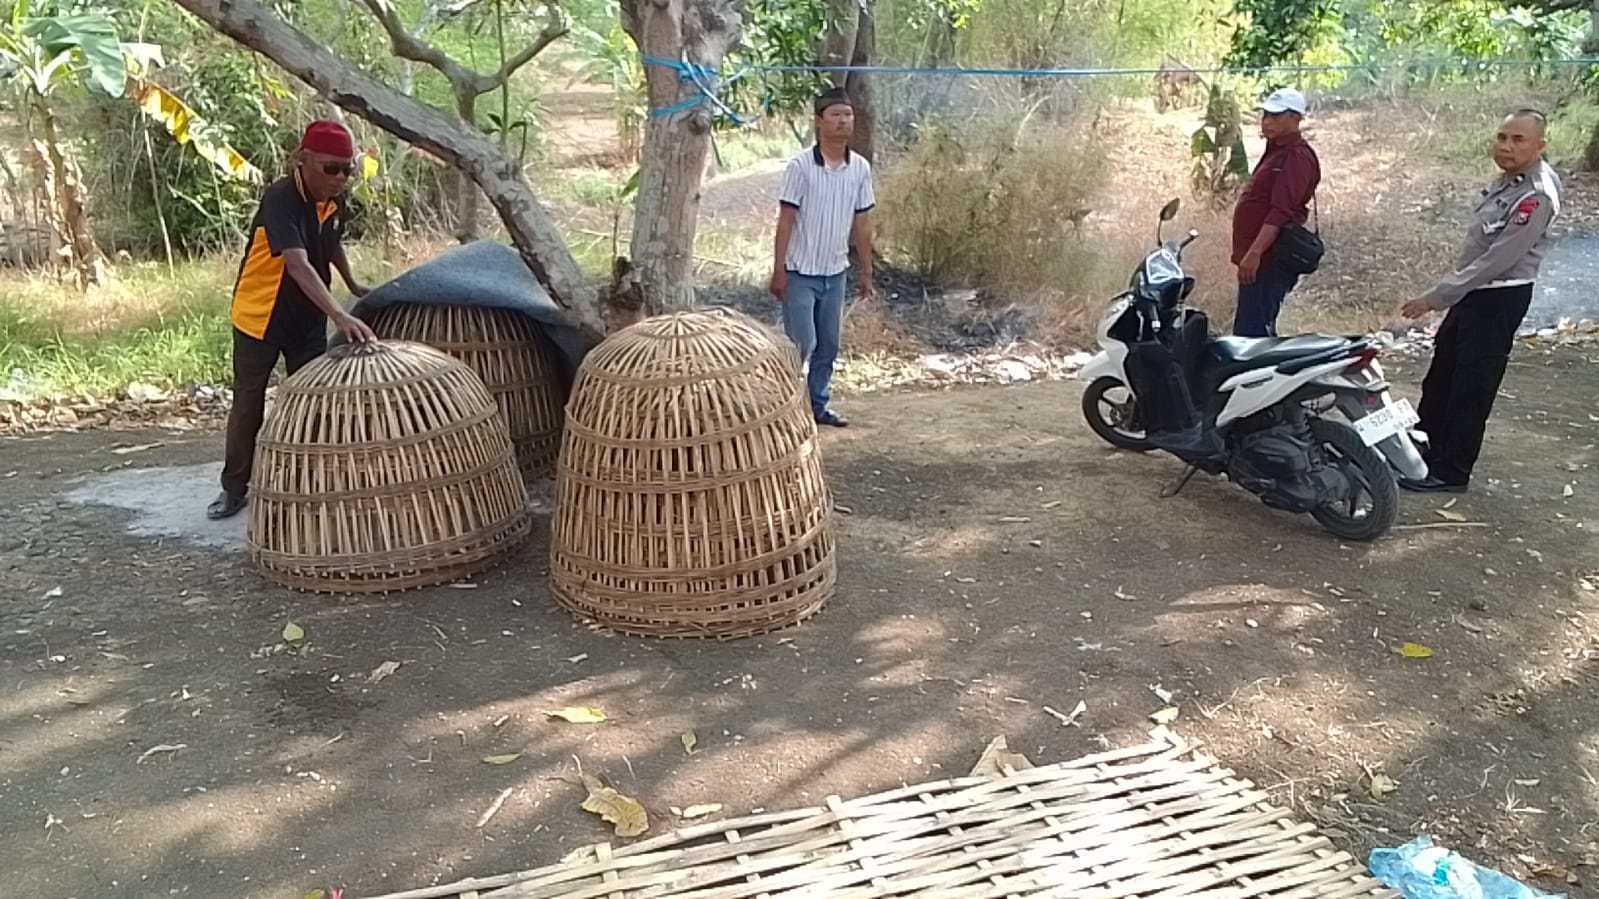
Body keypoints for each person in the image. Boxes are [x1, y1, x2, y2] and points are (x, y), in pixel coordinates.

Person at [207, 120, 378, 520]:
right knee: (248, 403)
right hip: (260, 315)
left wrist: (352, 282)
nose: (339, 178)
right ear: (303, 161)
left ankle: (304, 484)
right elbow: (297, 262)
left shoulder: (334, 200)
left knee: (310, 402)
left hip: (306, 318)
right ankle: (234, 489)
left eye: (347, 169)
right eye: (330, 168)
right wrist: (339, 313)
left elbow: (330, 242)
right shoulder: (281, 198)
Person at [1397, 109, 1560, 494]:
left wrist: (1435, 298)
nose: (1506, 146)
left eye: (1518, 140)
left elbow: (1497, 260)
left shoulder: (1536, 194)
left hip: (1498, 298)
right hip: (1474, 294)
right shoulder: (1509, 182)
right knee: (1442, 378)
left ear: (1541, 145)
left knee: (1471, 387)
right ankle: (1423, 454)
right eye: (1502, 137)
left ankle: (1451, 471)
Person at [769, 87, 875, 428]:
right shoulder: (800, 167)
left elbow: (862, 223)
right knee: (802, 343)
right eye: (835, 115)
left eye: (847, 115)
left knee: (828, 345)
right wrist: (779, 270)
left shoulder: (859, 169)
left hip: (835, 271)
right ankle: (783, 406)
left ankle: (817, 406)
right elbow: (785, 221)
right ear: (819, 122)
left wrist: (866, 271)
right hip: (800, 271)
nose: (843, 121)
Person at [1231, 87, 1321, 338]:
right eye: (1266, 115)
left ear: (1296, 118)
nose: (1268, 122)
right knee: (1251, 328)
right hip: (1258, 258)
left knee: (1253, 334)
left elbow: (1280, 212)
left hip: (1269, 259)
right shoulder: (1276, 152)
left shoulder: (1297, 156)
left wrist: (1255, 253)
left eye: (1277, 116)